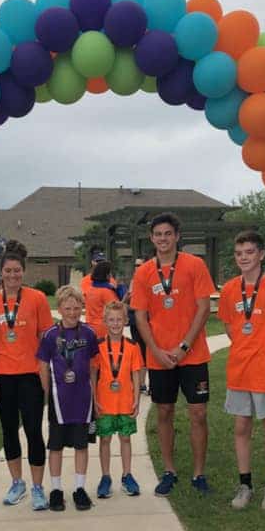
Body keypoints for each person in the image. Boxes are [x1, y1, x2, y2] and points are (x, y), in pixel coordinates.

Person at [131, 212, 214, 495]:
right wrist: (155, 350)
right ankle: (169, 470)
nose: (163, 239)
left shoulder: (195, 265)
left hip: (193, 354)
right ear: (151, 238)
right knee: (164, 411)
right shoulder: (143, 272)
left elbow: (204, 308)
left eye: (168, 234)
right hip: (159, 357)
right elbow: (140, 317)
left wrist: (183, 347)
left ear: (177, 237)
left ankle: (199, 474)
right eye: (158, 235)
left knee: (198, 413)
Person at [217, 230, 265, 511]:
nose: (244, 258)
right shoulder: (229, 290)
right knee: (241, 425)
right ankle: (245, 485)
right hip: (239, 370)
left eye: (249, 252)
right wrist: (244, 347)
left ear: (261, 255)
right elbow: (229, 325)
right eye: (239, 254)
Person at [0, 240, 54, 510]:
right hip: (4, 377)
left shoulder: (36, 298)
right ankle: (17, 483)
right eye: (8, 271)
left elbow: (45, 339)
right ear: (1, 273)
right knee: (9, 431)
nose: (12, 276)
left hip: (31, 377)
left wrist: (45, 376)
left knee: (34, 431)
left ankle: (37, 487)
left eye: (17, 271)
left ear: (24, 272)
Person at [38, 285, 99, 512]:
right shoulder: (50, 335)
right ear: (60, 309)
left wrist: (95, 393)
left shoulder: (89, 333)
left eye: (76, 308)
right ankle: (55, 489)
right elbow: (43, 366)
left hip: (83, 400)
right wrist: (48, 394)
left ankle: (80, 489)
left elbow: (93, 366)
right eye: (68, 308)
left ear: (82, 307)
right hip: (59, 400)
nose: (72, 312)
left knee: (81, 445)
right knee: (56, 446)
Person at [91, 301, 143, 499]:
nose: (115, 324)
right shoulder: (98, 346)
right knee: (105, 439)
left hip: (125, 401)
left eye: (119, 320)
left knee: (125, 438)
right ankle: (105, 477)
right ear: (105, 321)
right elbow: (93, 374)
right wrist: (94, 399)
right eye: (111, 320)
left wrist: (137, 399)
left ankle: (127, 475)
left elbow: (136, 373)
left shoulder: (132, 346)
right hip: (105, 403)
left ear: (125, 321)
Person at [125, 257, 148, 393]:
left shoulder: (149, 280)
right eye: (136, 265)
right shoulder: (134, 281)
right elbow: (129, 298)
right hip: (135, 319)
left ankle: (143, 383)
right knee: (138, 350)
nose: (137, 267)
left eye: (140, 265)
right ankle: (140, 383)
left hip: (147, 319)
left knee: (145, 351)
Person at [84, 259, 120, 338]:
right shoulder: (106, 292)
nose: (111, 275)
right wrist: (125, 299)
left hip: (89, 326)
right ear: (106, 275)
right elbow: (117, 309)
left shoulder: (90, 289)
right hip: (103, 329)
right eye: (109, 273)